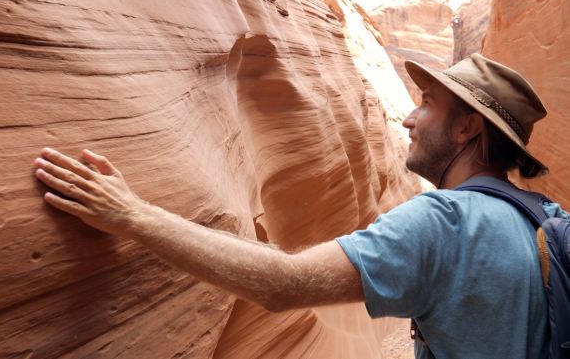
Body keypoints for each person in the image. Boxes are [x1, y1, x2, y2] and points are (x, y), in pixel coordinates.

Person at [33, 54, 567, 358]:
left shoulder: (444, 224)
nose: (408, 118)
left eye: (427, 104)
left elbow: (283, 285)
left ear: (469, 127)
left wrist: (131, 214)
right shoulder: (542, 216)